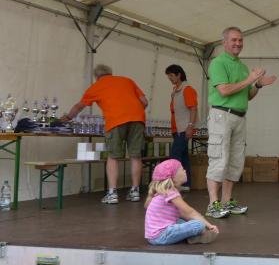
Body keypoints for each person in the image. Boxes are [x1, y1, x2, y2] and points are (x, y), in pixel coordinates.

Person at [205, 26, 276, 219]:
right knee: (219, 159)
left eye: (240, 40)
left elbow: (248, 96)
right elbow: (224, 91)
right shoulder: (218, 63)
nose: (238, 43)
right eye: (234, 40)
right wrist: (250, 79)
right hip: (221, 115)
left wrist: (258, 85)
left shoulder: (243, 67)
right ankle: (212, 204)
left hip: (239, 117)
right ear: (224, 42)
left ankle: (226, 202)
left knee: (235, 162)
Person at [63, 64, 148, 204]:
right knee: (135, 155)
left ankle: (112, 193)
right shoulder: (127, 80)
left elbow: (79, 106)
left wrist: (67, 117)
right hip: (138, 119)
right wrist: (133, 111)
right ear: (111, 73)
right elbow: (144, 102)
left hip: (116, 120)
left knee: (113, 156)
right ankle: (135, 192)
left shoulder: (96, 87)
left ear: (96, 77)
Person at [144, 159, 218, 245]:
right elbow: (190, 212)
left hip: (154, 236)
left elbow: (183, 215)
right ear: (173, 176)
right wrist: (209, 225)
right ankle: (192, 237)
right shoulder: (170, 192)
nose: (185, 170)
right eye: (182, 169)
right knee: (198, 224)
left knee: (182, 221)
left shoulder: (164, 191)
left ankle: (192, 237)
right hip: (160, 237)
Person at [165, 64, 198, 192]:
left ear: (179, 74)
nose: (170, 78)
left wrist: (190, 126)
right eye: (168, 76)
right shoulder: (176, 90)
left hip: (183, 128)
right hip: (177, 128)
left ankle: (175, 184)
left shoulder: (187, 89)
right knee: (183, 156)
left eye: (171, 75)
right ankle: (186, 184)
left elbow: (193, 108)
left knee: (175, 155)